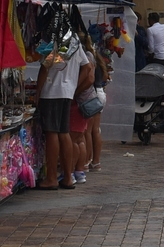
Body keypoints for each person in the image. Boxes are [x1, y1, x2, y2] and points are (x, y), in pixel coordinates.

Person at [36, 32, 93, 189]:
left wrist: (38, 91)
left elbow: (45, 67)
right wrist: (73, 86)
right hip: (67, 93)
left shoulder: (57, 41)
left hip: (52, 92)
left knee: (52, 133)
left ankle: (51, 178)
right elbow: (87, 67)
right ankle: (68, 177)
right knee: (64, 132)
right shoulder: (74, 41)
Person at [81, 33, 109, 173]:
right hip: (100, 92)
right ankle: (96, 162)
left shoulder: (86, 57)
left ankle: (86, 161)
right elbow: (104, 76)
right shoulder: (95, 55)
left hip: (91, 94)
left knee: (87, 130)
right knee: (95, 130)